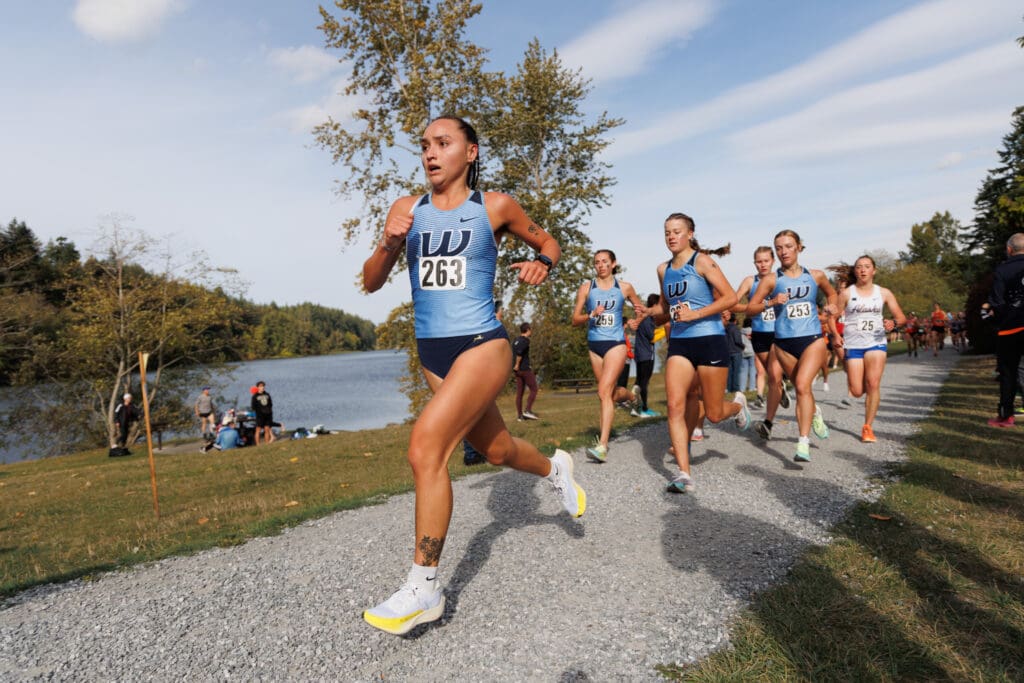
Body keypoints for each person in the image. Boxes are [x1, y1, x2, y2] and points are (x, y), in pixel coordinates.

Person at [360, 115, 585, 635]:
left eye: (443, 143)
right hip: (434, 352)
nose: (430, 154)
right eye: (424, 146)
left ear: (472, 153)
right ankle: (555, 470)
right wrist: (389, 243)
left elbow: (548, 243)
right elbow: (371, 282)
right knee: (497, 449)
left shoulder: (495, 206)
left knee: (425, 449)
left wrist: (542, 265)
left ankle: (424, 586)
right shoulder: (405, 210)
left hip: (484, 343)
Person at [653, 212, 748, 492]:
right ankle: (684, 474)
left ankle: (739, 406)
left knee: (716, 414)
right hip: (681, 344)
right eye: (667, 231)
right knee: (675, 405)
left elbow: (730, 297)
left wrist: (698, 314)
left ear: (690, 234)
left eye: (677, 231)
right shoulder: (663, 269)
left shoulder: (703, 262)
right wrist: (648, 313)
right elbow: (665, 307)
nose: (671, 236)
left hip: (709, 339)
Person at [747, 229, 838, 462]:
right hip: (784, 342)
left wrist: (832, 308)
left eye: (788, 246)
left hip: (812, 339)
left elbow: (832, 295)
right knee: (802, 389)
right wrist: (771, 302)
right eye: (779, 247)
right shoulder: (771, 280)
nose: (783, 251)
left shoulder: (815, 276)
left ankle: (803, 444)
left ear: (798, 247)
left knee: (800, 385)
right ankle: (815, 412)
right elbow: (751, 308)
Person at [571, 249, 646, 462]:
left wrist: (635, 322)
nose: (601, 265)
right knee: (610, 394)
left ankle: (602, 446)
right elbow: (575, 319)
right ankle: (633, 397)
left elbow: (640, 310)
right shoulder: (587, 288)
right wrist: (590, 315)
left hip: (616, 344)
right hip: (595, 346)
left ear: (613, 264)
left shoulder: (624, 287)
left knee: (603, 392)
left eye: (605, 261)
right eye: (597, 262)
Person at [832, 256, 906, 442]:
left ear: (874, 270)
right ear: (855, 271)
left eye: (867, 267)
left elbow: (901, 318)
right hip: (854, 345)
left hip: (876, 342)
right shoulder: (847, 293)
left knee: (873, 383)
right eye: (859, 267)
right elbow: (832, 319)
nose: (863, 270)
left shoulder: (884, 293)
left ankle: (867, 427)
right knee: (857, 390)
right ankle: (865, 390)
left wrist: (893, 323)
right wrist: (836, 335)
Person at [732, 246, 791, 410]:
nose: (763, 264)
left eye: (766, 261)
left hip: (779, 333)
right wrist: (752, 308)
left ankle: (778, 392)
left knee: (774, 371)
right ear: (754, 263)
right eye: (759, 261)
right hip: (758, 333)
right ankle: (780, 387)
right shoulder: (750, 281)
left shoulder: (782, 278)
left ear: (773, 261)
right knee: (771, 374)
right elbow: (733, 304)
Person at [985, 233, 1024, 427]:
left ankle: (1006, 415)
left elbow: (996, 302)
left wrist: (998, 319)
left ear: (1009, 249)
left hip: (1011, 328)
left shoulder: (1003, 270)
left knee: (1008, 372)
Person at [629, 293, 661, 417]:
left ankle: (635, 407)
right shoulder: (647, 319)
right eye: (659, 305)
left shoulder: (645, 318)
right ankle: (644, 409)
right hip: (646, 355)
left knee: (639, 381)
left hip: (641, 354)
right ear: (654, 305)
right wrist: (666, 330)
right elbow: (652, 337)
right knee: (643, 382)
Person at [512, 322, 539, 420]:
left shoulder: (516, 340)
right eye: (530, 329)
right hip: (524, 369)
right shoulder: (525, 340)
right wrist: (517, 364)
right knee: (534, 389)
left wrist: (515, 367)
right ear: (527, 330)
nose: (531, 331)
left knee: (519, 393)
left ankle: (520, 416)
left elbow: (514, 353)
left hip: (517, 371)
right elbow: (519, 353)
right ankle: (527, 410)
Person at [723, 311, 744, 392]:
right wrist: (742, 346)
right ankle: (736, 388)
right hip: (736, 351)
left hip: (728, 351)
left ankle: (729, 387)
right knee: (736, 371)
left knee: (730, 371)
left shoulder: (725, 328)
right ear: (735, 320)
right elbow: (737, 340)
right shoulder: (735, 328)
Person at [251, 381, 274, 445]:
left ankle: (267, 444)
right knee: (258, 430)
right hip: (260, 416)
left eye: (263, 386)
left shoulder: (267, 394)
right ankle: (258, 444)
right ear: (258, 387)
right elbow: (253, 406)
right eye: (261, 386)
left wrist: (269, 412)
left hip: (268, 414)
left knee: (267, 429)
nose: (262, 387)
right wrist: (259, 412)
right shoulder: (255, 396)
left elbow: (270, 404)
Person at [740, 317, 756, 392]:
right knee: (752, 369)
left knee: (743, 371)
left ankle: (742, 388)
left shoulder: (741, 331)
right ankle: (751, 388)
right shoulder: (752, 331)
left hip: (743, 351)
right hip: (752, 351)